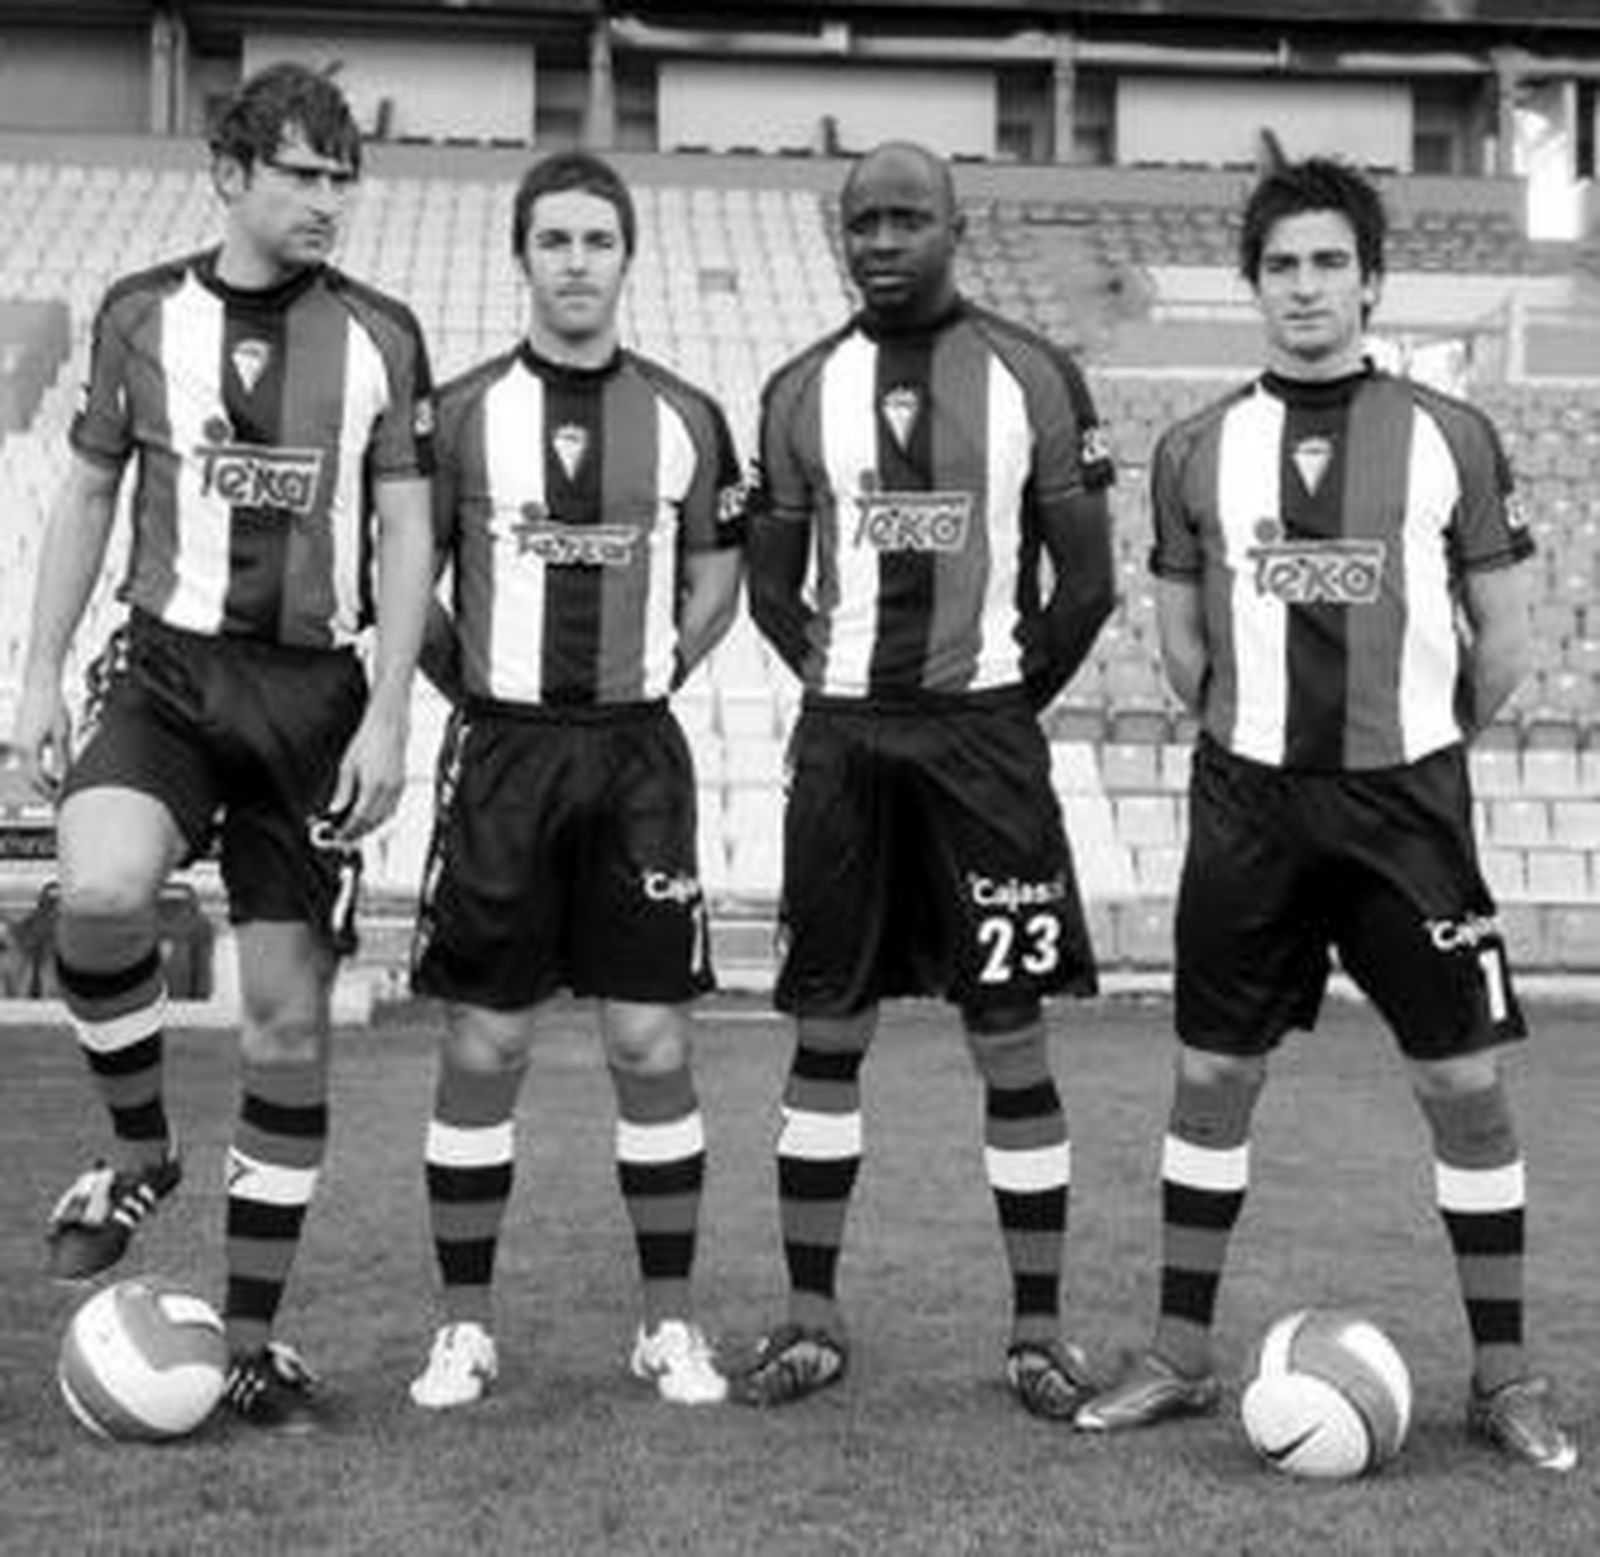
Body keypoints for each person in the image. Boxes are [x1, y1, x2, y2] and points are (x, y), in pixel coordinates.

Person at [1073, 154, 1577, 1474]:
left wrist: (1414, 737)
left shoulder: (1450, 435)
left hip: (1408, 805)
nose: (1306, 286)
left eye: (1328, 263)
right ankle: (1181, 1357)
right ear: (1255, 285)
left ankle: (1506, 1375)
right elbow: (1182, 639)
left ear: (1370, 282)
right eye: (1283, 265)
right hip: (1248, 803)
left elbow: (1508, 633)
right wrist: (1257, 734)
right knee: (1212, 1076)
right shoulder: (1198, 447)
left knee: (1461, 1083)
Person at [12, 62, 436, 1433]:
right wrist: (34, 677)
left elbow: (411, 529)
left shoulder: (382, 334)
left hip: (314, 700)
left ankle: (249, 1341)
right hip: (170, 673)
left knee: (284, 1026)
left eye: (341, 177)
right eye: (303, 173)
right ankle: (142, 1147)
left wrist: (390, 710)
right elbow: (86, 491)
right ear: (232, 172)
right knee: (101, 891)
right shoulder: (143, 315)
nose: (328, 199)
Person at [739, 141, 1116, 1417]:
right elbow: (770, 587)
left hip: (983, 747)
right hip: (844, 744)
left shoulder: (1033, 376)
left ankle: (1038, 1334)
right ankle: (807, 1321)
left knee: (1008, 1031)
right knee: (826, 1030)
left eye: (908, 219)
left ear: (956, 226)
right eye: (864, 222)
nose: (883, 241)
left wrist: (999, 699)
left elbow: (1089, 581)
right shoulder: (798, 390)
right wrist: (850, 684)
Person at [405, 150, 745, 1411]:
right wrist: (468, 686)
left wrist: (654, 662)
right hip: (501, 752)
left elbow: (717, 580)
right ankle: (463, 1330)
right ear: (522, 256)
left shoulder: (685, 416)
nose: (576, 262)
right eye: (554, 240)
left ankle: (668, 1326)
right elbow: (409, 586)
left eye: (597, 240)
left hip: (635, 755)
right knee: (485, 1040)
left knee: (649, 1041)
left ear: (626, 255)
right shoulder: (458, 417)